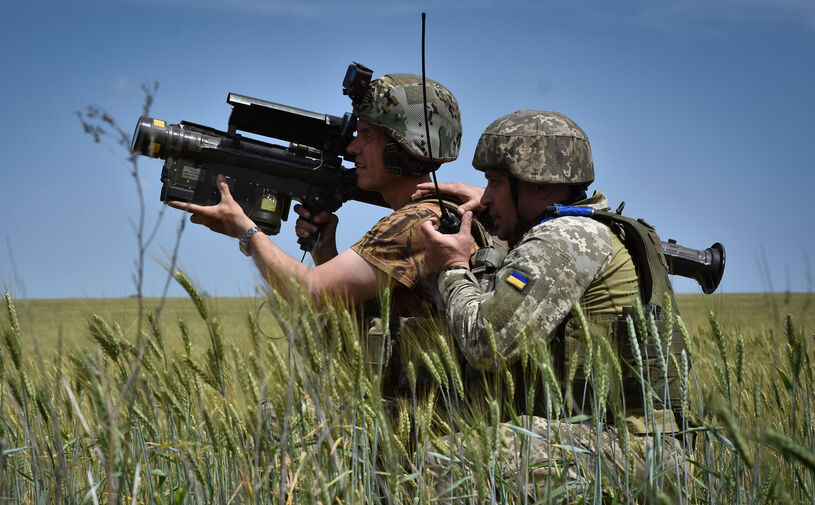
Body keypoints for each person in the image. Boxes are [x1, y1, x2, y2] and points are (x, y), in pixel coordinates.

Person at [419, 109, 689, 501]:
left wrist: (454, 267)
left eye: (495, 183)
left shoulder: (563, 239)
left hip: (629, 451)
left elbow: (485, 343)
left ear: (541, 187)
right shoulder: (588, 226)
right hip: (632, 444)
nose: (486, 196)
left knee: (445, 463)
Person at [170, 73, 486, 392]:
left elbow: (310, 294)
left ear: (400, 148)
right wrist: (324, 252)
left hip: (425, 430)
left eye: (365, 134)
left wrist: (244, 229)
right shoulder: (433, 213)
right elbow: (353, 313)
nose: (352, 147)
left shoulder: (417, 222)